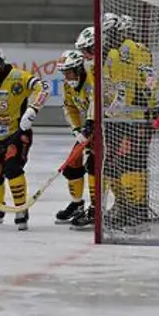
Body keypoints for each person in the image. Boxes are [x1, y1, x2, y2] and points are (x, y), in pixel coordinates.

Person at [0, 45, 49, 231]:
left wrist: (33, 109)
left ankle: (21, 209)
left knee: (12, 168)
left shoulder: (18, 76)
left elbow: (44, 88)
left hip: (18, 132)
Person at [104, 14, 159, 229]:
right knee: (122, 162)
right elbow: (149, 80)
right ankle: (128, 206)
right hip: (126, 115)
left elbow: (145, 80)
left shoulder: (128, 51)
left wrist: (146, 106)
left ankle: (134, 209)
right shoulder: (126, 51)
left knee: (130, 163)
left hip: (130, 116)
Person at [54, 50, 98, 229]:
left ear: (79, 69)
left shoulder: (91, 79)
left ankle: (96, 207)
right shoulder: (68, 85)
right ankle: (77, 203)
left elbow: (97, 101)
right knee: (73, 161)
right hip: (87, 128)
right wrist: (77, 130)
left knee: (94, 164)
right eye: (64, 73)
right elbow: (70, 108)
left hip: (103, 126)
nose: (67, 76)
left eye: (69, 72)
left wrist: (90, 123)